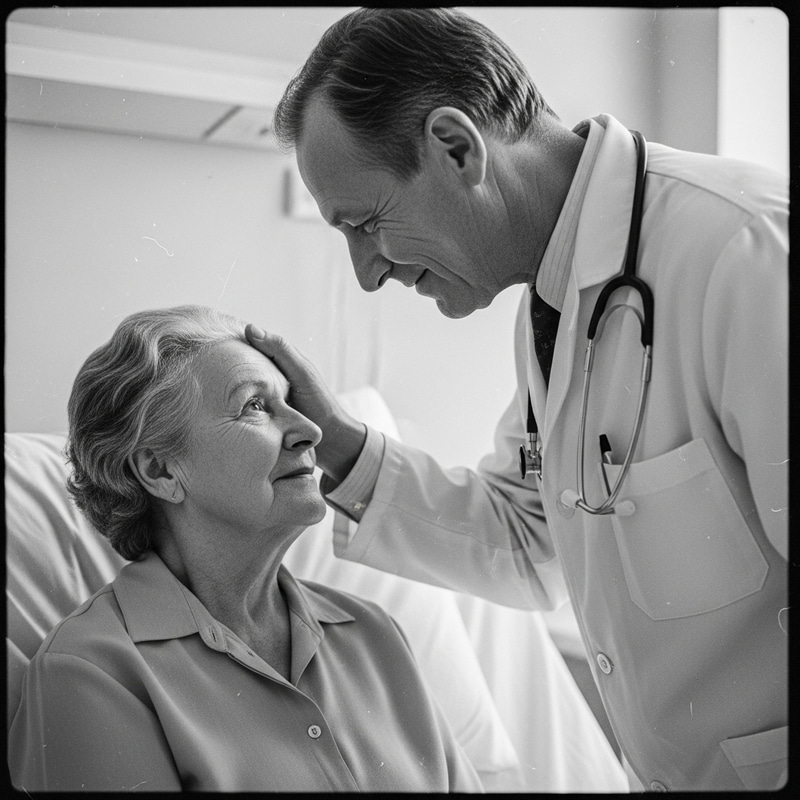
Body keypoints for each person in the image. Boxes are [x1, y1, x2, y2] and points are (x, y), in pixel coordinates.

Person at [245, 7, 788, 792]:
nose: (367, 273)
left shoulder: (745, 252)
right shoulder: (557, 305)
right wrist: (337, 443)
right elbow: (533, 543)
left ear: (457, 147)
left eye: (364, 224)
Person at [8, 305, 483, 793]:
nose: (311, 432)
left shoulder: (374, 635)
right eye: (255, 406)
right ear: (160, 472)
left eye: (290, 403)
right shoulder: (90, 674)